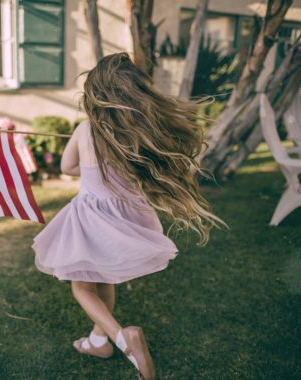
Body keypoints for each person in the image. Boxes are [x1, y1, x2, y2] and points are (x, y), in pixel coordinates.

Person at [31, 52, 228, 380]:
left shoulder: (85, 129)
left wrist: (87, 163)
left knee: (82, 288)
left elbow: (66, 168)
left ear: (97, 93)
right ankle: (98, 341)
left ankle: (123, 338)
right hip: (128, 219)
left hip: (94, 217)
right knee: (104, 278)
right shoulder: (138, 133)